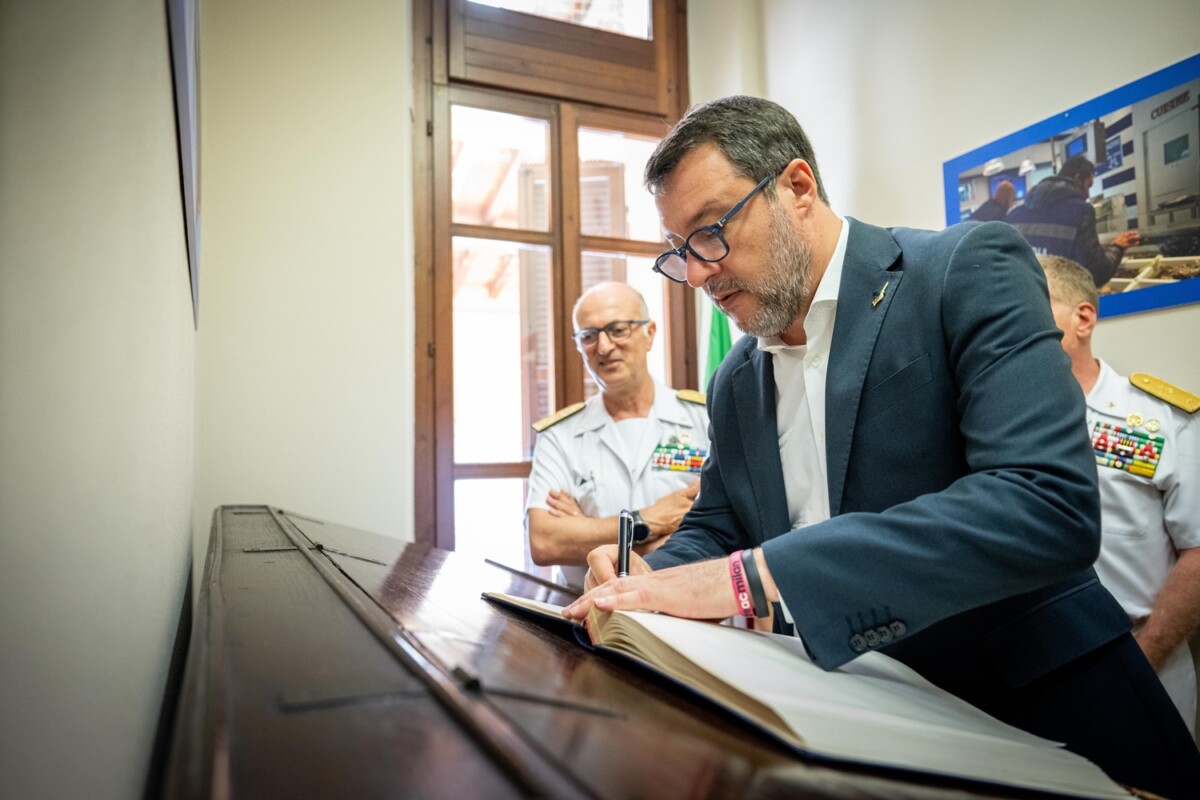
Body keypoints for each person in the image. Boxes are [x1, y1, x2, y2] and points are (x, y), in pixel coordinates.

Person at [562, 96, 1200, 798]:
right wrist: (643, 586)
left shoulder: (961, 269)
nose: (701, 274)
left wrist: (751, 578)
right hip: (858, 724)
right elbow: (721, 523)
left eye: (710, 232)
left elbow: (1044, 506)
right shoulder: (735, 376)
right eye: (679, 252)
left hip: (1049, 719)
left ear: (797, 188)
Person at [1040, 253, 1200, 737]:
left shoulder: (1160, 421)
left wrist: (1144, 657)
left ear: (1083, 318)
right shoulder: (987, 420)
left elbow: (1197, 551)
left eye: (1027, 305)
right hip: (1030, 664)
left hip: (1142, 657)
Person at [524, 281, 709, 588]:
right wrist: (649, 521)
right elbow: (544, 542)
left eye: (618, 329)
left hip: (687, 613)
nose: (604, 346)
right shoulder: (559, 436)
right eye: (589, 336)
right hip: (588, 618)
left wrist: (586, 531)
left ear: (649, 334)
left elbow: (724, 532)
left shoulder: (704, 419)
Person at [1007, 155, 1141, 287]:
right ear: (1078, 178)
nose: (1088, 194)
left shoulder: (1014, 215)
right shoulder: (1081, 211)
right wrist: (1117, 247)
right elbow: (1096, 274)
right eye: (1089, 186)